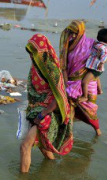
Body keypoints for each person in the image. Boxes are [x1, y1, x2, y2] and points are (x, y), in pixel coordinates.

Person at [20, 34, 73, 173]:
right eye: (29, 51)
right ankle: (56, 170)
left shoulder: (52, 69)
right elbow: (34, 92)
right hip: (36, 110)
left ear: (42, 51)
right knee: (43, 147)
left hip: (50, 113)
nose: (31, 55)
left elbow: (59, 96)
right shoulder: (35, 68)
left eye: (34, 51)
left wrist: (43, 114)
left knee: (25, 147)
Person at [59, 20, 102, 135]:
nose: (73, 36)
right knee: (68, 108)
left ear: (82, 32)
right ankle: (69, 134)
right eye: (71, 33)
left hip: (88, 83)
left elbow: (96, 65)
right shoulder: (67, 45)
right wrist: (64, 84)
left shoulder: (92, 44)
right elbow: (64, 67)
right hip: (71, 82)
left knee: (90, 110)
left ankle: (98, 132)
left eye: (75, 33)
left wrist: (98, 84)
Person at [80, 28, 107, 102]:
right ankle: (100, 90)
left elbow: (106, 55)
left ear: (97, 36)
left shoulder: (100, 47)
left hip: (95, 68)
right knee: (96, 77)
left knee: (84, 82)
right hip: (95, 68)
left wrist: (101, 63)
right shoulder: (101, 45)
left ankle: (85, 96)